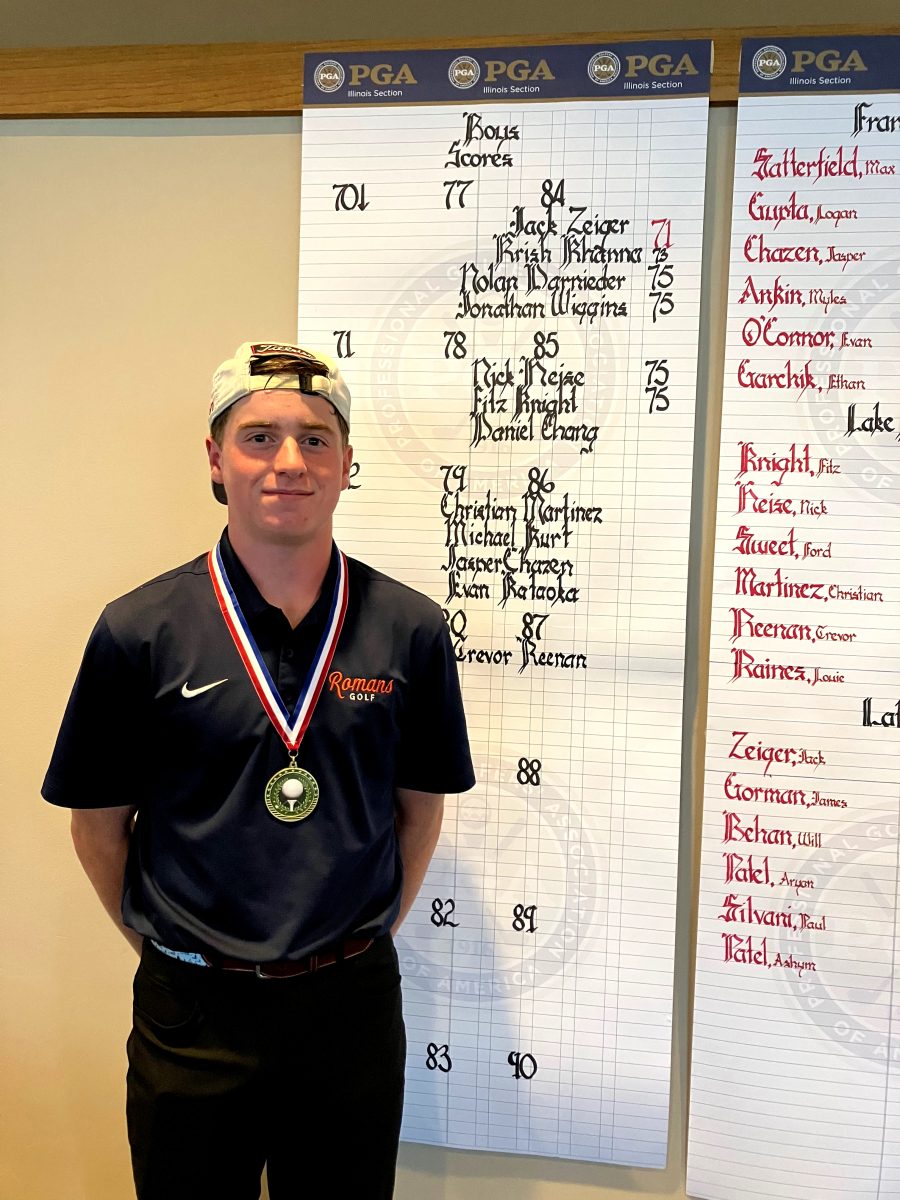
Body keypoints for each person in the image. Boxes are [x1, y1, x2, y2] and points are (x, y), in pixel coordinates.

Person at [42, 341, 475, 1200]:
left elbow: (419, 810)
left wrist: (367, 937)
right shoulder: (139, 630)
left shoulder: (411, 629)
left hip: (348, 1008)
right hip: (192, 1016)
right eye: (259, 437)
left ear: (348, 464)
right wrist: (171, 951)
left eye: (316, 439)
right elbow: (97, 828)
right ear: (215, 458)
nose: (290, 462)